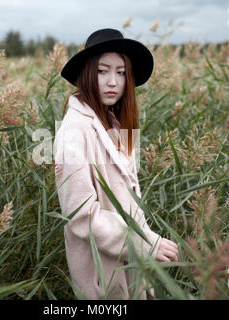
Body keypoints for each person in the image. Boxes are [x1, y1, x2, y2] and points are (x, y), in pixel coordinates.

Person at [53, 28, 179, 300]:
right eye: (102, 71)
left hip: (131, 272)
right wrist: (144, 244)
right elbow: (81, 216)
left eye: (121, 72)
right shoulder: (74, 131)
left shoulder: (114, 123)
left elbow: (129, 197)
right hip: (103, 281)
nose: (113, 82)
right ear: (87, 73)